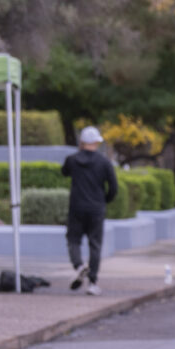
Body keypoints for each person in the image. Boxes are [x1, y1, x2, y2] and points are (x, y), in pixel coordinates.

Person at [60, 126, 118, 294]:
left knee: (73, 240)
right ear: (97, 143)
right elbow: (113, 187)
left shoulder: (72, 160)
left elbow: (64, 172)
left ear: (82, 142)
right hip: (96, 208)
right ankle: (93, 282)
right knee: (95, 244)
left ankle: (78, 266)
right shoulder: (104, 162)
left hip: (77, 207)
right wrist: (104, 201)